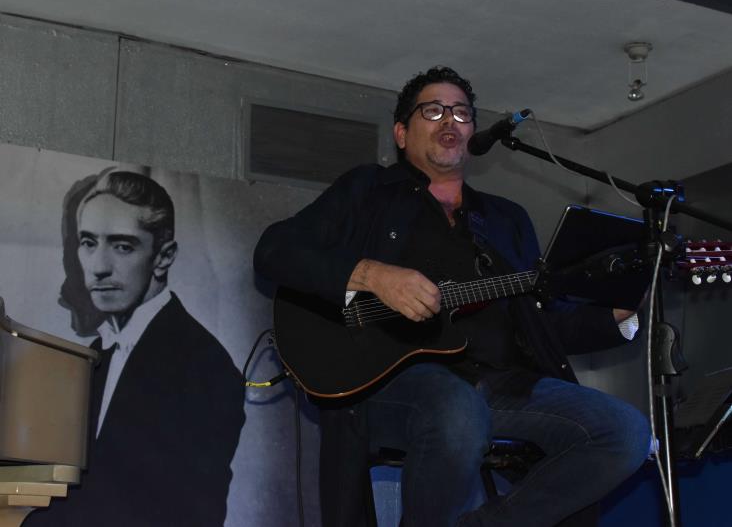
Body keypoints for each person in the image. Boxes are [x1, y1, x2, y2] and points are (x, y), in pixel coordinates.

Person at [254, 66, 651, 527]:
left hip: (499, 384)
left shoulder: (505, 219)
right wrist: (371, 275)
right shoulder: (367, 190)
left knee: (625, 432)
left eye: (462, 113)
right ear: (402, 134)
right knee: (456, 409)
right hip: (386, 384)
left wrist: (618, 311)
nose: (450, 121)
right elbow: (274, 251)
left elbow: (540, 324)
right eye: (434, 110)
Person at [26, 171, 244, 527]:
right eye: (88, 242)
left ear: (164, 256)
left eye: (122, 246)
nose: (99, 267)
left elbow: (189, 516)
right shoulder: (95, 355)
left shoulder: (205, 367)